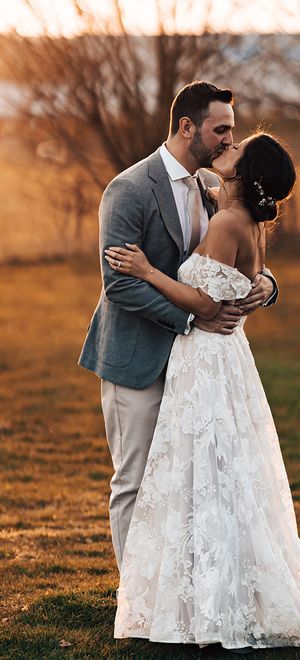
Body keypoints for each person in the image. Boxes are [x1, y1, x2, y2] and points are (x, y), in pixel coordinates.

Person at [105, 132, 300, 652]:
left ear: (246, 171)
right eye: (224, 135)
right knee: (222, 471)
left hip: (207, 356)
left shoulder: (227, 221)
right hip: (226, 357)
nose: (227, 147)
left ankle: (192, 597)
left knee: (202, 471)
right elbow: (242, 276)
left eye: (236, 148)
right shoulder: (240, 214)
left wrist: (147, 270)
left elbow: (203, 301)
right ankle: (205, 586)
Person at [78, 81, 277, 571]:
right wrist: (195, 314)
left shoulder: (215, 190)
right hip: (137, 356)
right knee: (135, 478)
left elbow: (242, 254)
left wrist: (266, 285)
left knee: (185, 478)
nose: (230, 141)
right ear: (187, 127)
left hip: (196, 367)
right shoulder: (127, 189)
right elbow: (119, 285)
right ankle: (134, 592)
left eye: (231, 130)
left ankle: (178, 591)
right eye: (221, 130)